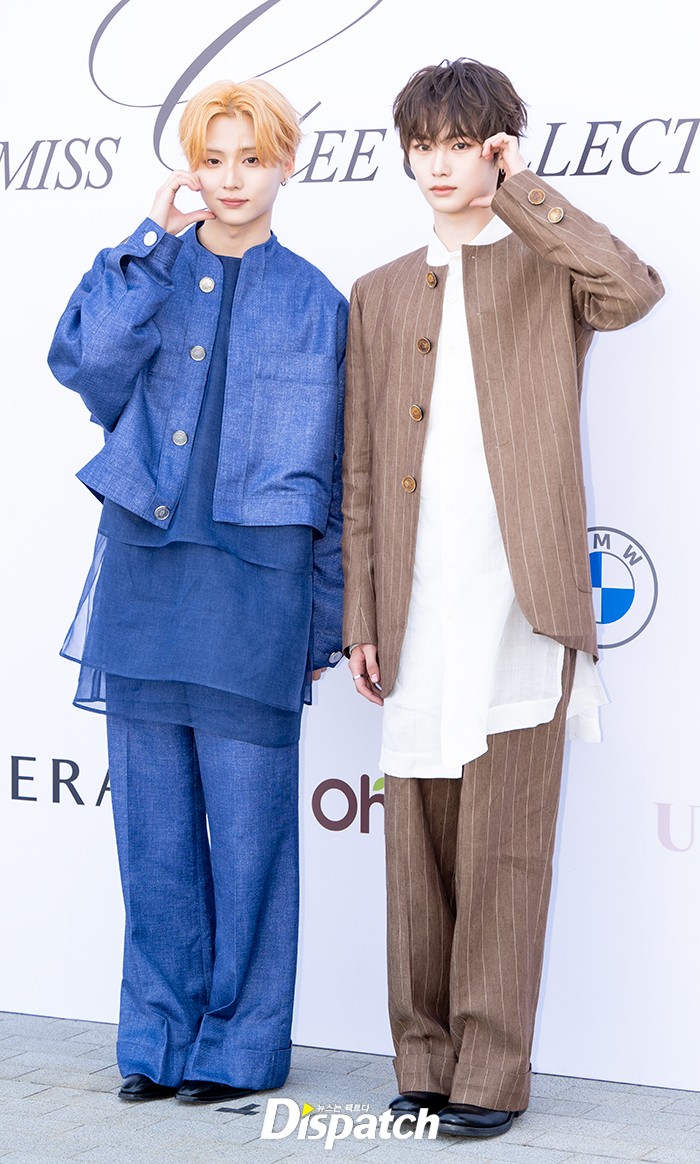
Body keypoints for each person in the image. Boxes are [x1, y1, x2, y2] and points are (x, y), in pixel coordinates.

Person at [341, 58, 663, 1139]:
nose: (439, 166)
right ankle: (422, 1060)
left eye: (461, 144)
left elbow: (633, 292)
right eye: (422, 146)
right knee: (416, 859)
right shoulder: (380, 291)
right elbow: (358, 471)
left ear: (497, 147)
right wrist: (360, 615)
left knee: (506, 852)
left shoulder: (546, 266)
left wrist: (523, 191)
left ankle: (490, 1070)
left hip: (522, 606)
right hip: (415, 608)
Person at [48, 78, 347, 1104]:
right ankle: (158, 1039)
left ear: (285, 165)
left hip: (258, 596)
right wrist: (150, 236)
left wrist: (326, 618)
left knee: (252, 835)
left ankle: (240, 1049)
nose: (230, 180)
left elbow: (341, 481)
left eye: (250, 159)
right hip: (144, 577)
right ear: (189, 166)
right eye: (212, 159)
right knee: (154, 833)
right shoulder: (151, 272)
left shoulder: (318, 303)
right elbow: (84, 363)